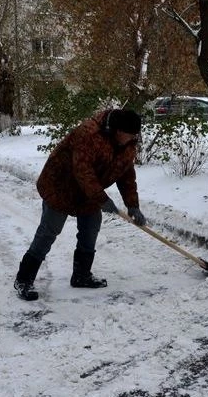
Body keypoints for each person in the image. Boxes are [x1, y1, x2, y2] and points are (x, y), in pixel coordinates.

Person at [14, 108, 147, 301]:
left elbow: (126, 173)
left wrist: (133, 205)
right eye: (129, 135)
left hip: (89, 191)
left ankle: (81, 275)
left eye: (134, 136)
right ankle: (24, 279)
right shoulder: (88, 134)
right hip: (60, 185)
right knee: (49, 231)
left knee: (91, 228)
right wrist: (102, 199)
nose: (132, 139)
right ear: (118, 130)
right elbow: (83, 171)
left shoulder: (128, 143)